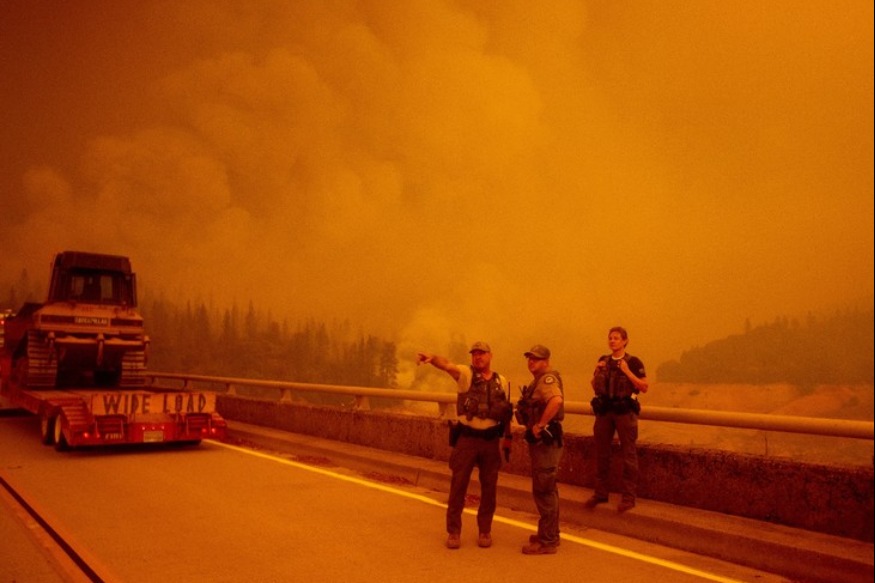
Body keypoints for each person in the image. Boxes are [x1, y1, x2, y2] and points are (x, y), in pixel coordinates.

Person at [417, 341, 513, 550]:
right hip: (467, 440)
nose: (478, 357)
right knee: (458, 486)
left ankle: (485, 530)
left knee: (489, 488)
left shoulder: (502, 381)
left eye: (482, 354)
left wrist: (507, 438)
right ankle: (454, 531)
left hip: (490, 441)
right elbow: (448, 365)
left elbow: (506, 412)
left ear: (490, 356)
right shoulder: (465, 375)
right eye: (474, 354)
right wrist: (433, 358)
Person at [586, 326, 649, 513]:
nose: (612, 341)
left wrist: (628, 372)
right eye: (610, 338)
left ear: (625, 341)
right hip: (604, 412)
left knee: (628, 454)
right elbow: (593, 385)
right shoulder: (603, 361)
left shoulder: (634, 362)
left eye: (616, 338)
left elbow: (644, 386)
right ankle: (600, 493)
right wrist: (596, 371)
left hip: (624, 412)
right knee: (601, 453)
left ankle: (628, 497)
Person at [515, 344, 564, 555]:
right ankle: (551, 532)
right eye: (529, 358)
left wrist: (540, 425)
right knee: (548, 489)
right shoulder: (537, 381)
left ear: (546, 361)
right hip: (544, 444)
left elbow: (556, 400)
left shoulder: (547, 379)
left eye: (535, 358)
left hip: (546, 443)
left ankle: (547, 541)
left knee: (544, 490)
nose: (531, 362)